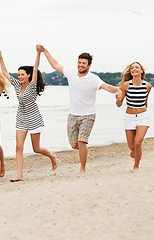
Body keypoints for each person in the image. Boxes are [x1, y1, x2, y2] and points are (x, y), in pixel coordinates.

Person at [37, 44, 122, 177]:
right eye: (79, 62)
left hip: (88, 115)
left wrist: (117, 90)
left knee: (82, 142)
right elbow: (55, 65)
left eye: (84, 63)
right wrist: (44, 51)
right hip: (73, 115)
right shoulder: (71, 73)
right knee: (74, 145)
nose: (81, 65)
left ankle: (82, 169)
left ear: (89, 65)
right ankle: (84, 150)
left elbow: (106, 87)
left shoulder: (93, 79)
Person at [0, 47, 57, 182]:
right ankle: (19, 175)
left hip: (34, 117)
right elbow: (5, 72)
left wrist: (38, 53)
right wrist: (0, 56)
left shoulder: (32, 86)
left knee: (36, 148)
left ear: (28, 75)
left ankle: (52, 157)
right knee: (18, 147)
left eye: (22, 74)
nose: (20, 77)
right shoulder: (17, 85)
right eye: (18, 75)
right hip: (21, 118)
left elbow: (35, 68)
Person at [116, 62, 151, 172]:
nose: (134, 69)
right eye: (132, 68)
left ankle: (136, 166)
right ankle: (134, 151)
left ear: (141, 71)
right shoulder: (126, 85)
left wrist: (142, 112)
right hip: (129, 117)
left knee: (138, 143)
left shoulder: (147, 86)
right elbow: (119, 104)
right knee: (132, 147)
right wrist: (118, 99)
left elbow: (145, 103)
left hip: (143, 116)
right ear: (130, 72)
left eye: (137, 67)